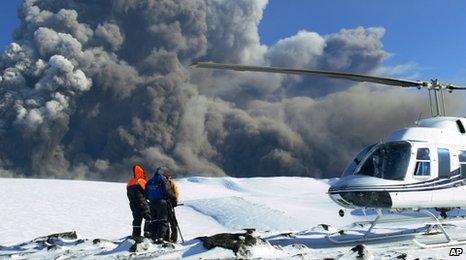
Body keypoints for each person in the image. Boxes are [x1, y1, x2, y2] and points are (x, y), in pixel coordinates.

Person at [146, 167, 176, 243]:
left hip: (151, 203)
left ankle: (153, 237)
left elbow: (145, 194)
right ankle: (160, 237)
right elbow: (167, 191)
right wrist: (173, 199)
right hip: (161, 202)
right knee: (163, 220)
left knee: (154, 220)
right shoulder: (163, 180)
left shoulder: (150, 181)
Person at [126, 164, 152, 239]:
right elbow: (147, 193)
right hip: (141, 202)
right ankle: (147, 233)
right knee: (149, 217)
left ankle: (135, 235)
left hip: (132, 204)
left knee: (137, 219)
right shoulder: (141, 181)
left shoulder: (129, 182)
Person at [163, 171, 180, 242]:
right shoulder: (171, 183)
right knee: (173, 222)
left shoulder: (161, 183)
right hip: (170, 204)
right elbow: (176, 192)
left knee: (165, 221)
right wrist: (175, 201)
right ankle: (174, 238)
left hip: (162, 205)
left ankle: (166, 238)